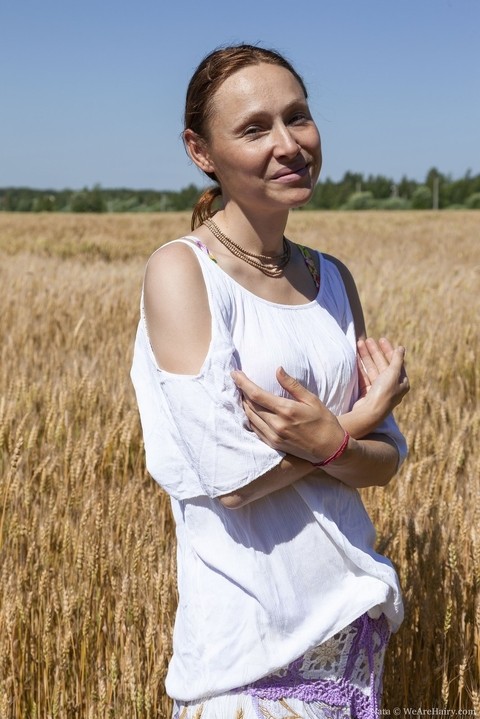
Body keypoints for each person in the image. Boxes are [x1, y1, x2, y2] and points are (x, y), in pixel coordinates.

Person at [130, 44, 410, 719]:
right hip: (247, 657)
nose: (289, 144)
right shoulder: (183, 272)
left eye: (299, 118)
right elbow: (229, 476)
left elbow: (388, 459)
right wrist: (342, 427)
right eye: (256, 129)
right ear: (201, 150)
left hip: (345, 639)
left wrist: (338, 446)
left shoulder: (332, 278)